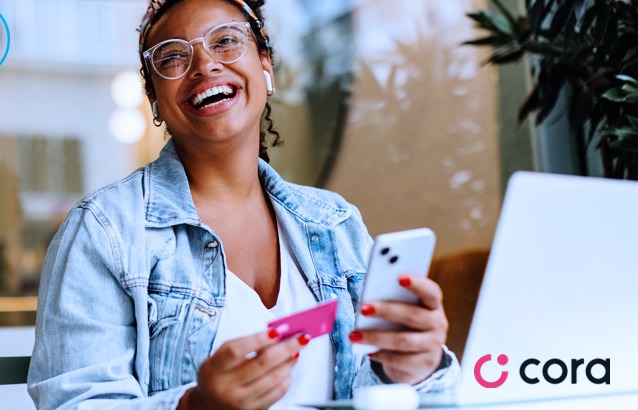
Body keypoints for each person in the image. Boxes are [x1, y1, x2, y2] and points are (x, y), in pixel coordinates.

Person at [27, 0, 460, 408]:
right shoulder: (104, 230)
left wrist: (413, 370)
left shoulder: (335, 223)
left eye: (226, 40)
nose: (205, 64)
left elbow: (369, 386)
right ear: (155, 100)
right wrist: (195, 406)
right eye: (173, 57)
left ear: (265, 67)